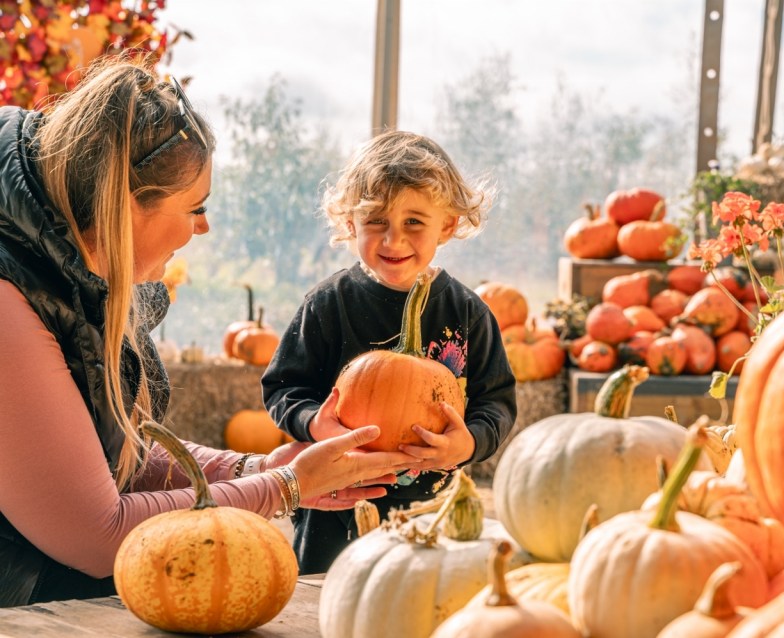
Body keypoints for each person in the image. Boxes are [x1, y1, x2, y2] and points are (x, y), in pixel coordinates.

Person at [0, 58, 417, 607]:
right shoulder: (9, 301)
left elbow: (111, 459)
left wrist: (259, 467)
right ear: (126, 204)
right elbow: (98, 533)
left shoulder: (72, 271)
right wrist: (287, 489)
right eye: (195, 207)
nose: (205, 226)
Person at [261, 130, 518, 574]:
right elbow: (284, 387)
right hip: (334, 508)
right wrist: (313, 421)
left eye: (414, 222)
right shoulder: (329, 304)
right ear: (349, 224)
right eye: (376, 221)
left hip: (433, 513)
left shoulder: (468, 312)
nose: (393, 241)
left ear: (448, 225)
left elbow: (496, 400)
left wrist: (469, 442)